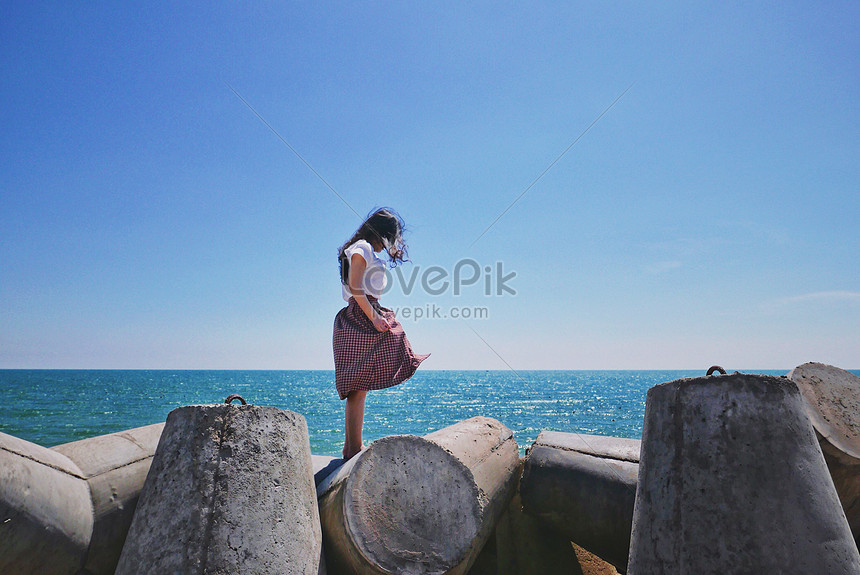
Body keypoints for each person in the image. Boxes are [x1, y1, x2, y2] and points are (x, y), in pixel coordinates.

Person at [333, 207, 430, 460]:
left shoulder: (366, 249)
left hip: (364, 310)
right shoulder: (362, 247)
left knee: (359, 385)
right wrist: (375, 317)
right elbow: (356, 287)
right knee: (359, 383)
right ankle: (352, 447)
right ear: (384, 233)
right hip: (360, 313)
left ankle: (352, 446)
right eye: (393, 237)